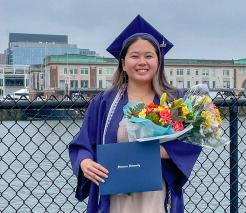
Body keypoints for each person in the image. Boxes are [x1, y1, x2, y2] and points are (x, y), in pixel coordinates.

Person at [69, 15, 202, 213]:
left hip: (157, 195)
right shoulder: (104, 102)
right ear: (123, 63)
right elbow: (83, 143)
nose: (142, 62)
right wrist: (85, 163)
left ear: (159, 61)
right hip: (115, 195)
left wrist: (157, 152)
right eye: (134, 56)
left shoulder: (175, 101)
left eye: (149, 56)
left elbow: (192, 141)